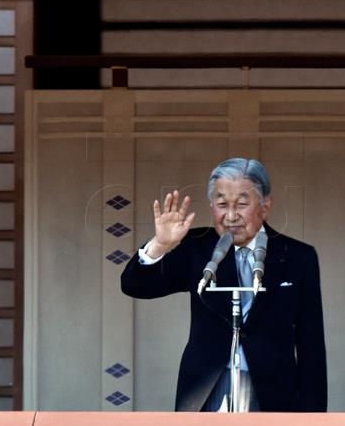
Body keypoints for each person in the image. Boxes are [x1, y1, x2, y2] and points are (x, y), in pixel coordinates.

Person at [121, 158, 327, 412]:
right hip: (207, 389)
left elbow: (311, 344)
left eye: (242, 204)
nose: (231, 216)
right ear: (211, 207)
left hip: (273, 391)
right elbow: (135, 285)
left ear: (265, 206)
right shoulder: (198, 248)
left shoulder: (297, 257)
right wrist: (159, 245)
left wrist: (315, 420)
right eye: (221, 204)